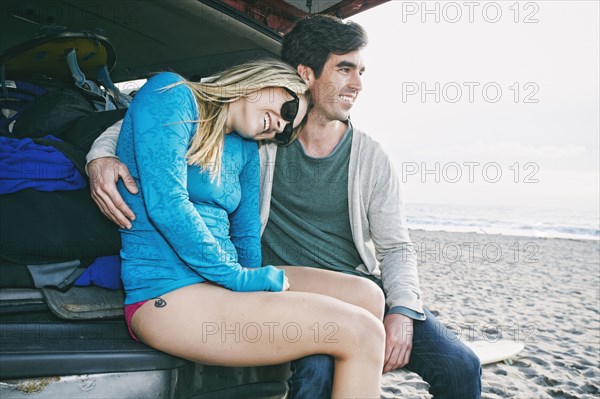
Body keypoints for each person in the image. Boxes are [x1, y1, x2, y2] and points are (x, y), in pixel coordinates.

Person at [87, 17, 481, 399]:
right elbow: (139, 135)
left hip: (256, 278)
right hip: (180, 288)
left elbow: (394, 247)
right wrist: (99, 158)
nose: (358, 84)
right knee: (353, 339)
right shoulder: (234, 121)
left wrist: (405, 310)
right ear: (300, 76)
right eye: (345, 69)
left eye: (362, 71)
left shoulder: (266, 142)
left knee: (385, 311)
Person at [100, 58, 387, 399]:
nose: (280, 125)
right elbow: (167, 205)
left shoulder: (247, 148)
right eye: (287, 107)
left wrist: (248, 279)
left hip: (222, 280)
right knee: (362, 332)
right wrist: (237, 279)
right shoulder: (171, 93)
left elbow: (246, 235)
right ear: (265, 79)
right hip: (167, 293)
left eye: (287, 129)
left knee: (368, 295)